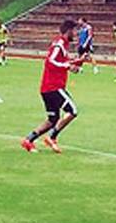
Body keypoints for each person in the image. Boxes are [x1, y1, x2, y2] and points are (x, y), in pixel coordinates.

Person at [21, 19, 82, 154]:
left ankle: (28, 140)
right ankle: (52, 138)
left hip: (47, 88)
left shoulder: (63, 45)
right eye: (75, 31)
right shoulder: (59, 44)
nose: (76, 34)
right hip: (54, 87)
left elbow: (61, 63)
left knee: (52, 120)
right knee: (72, 111)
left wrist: (74, 64)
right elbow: (50, 61)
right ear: (68, 31)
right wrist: (67, 65)